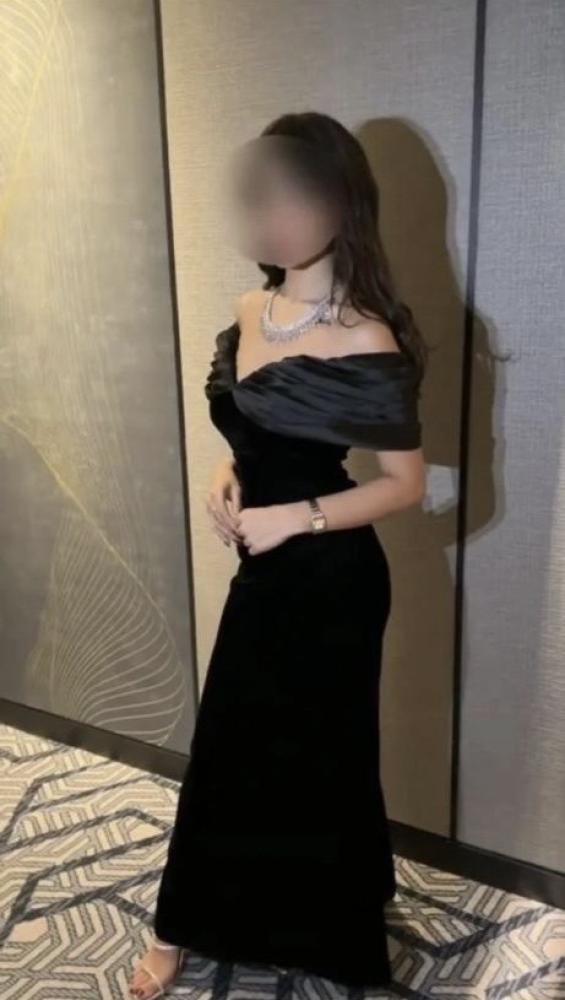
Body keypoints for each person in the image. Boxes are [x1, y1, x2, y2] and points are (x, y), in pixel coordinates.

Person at [129, 110, 427, 999]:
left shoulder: (365, 334)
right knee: (233, 746)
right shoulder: (246, 310)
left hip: (333, 578)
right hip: (264, 570)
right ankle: (185, 921)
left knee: (322, 756)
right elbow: (254, 429)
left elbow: (405, 486)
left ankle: (323, 930)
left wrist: (294, 517)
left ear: (342, 203)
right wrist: (228, 473)